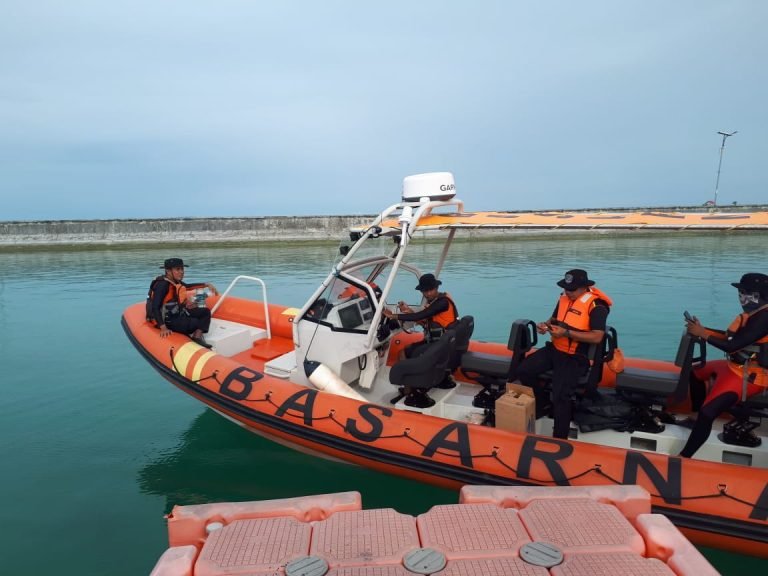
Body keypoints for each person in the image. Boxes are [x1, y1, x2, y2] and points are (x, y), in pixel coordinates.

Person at [514, 269, 612, 439]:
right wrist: (545, 326)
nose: (568, 292)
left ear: (584, 287)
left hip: (575, 356)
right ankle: (543, 402)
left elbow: (597, 336)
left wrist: (566, 334)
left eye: (572, 289)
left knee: (561, 397)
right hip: (555, 349)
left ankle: (560, 438)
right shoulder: (564, 298)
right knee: (523, 370)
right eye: (566, 288)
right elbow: (553, 320)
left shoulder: (597, 306)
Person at [680, 272, 768, 457]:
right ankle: (694, 416)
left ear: (757, 295)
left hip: (750, 375)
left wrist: (703, 334)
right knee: (695, 373)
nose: (740, 296)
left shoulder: (764, 318)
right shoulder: (755, 314)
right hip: (735, 366)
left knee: (708, 412)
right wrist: (703, 329)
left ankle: (684, 456)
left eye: (743, 292)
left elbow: (732, 345)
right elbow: (734, 337)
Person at [383, 273, 459, 359]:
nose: (429, 293)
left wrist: (392, 316)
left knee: (403, 353)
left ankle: (405, 371)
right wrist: (408, 311)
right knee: (406, 349)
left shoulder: (442, 302)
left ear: (437, 288)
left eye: (431, 290)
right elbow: (425, 321)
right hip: (437, 341)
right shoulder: (434, 301)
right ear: (421, 291)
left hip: (441, 344)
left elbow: (419, 316)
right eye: (425, 291)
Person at [147, 258, 218, 348]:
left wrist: (206, 284)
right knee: (196, 322)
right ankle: (187, 339)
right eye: (178, 269)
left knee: (205, 312)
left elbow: (187, 286)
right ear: (168, 271)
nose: (181, 272)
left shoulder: (175, 281)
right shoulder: (163, 285)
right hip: (168, 320)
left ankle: (197, 337)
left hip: (177, 313)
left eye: (182, 269)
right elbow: (155, 307)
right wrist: (163, 327)